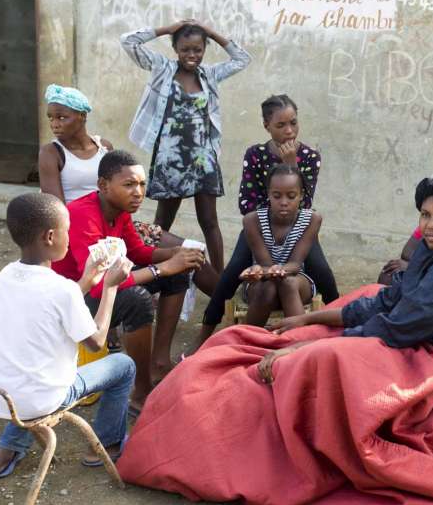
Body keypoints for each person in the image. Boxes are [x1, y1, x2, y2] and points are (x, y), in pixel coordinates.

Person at [267, 173, 433, 414]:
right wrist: (309, 318)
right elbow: (389, 300)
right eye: (425, 215)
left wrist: (309, 346)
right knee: (367, 303)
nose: (431, 224)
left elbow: (398, 327)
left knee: (337, 366)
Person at [0, 192, 135, 478]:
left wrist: (86, 280)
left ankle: (5, 451)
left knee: (28, 380)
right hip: (44, 397)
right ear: (51, 236)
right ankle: (107, 444)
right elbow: (97, 340)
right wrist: (110, 288)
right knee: (124, 366)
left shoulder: (6, 275)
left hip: (1, 393)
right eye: (68, 230)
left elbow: (47, 306)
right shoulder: (60, 289)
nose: (71, 236)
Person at [52, 150, 205, 413]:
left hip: (101, 290)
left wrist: (175, 255)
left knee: (177, 273)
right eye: (129, 184)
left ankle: (159, 361)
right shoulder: (82, 214)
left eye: (142, 184)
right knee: (137, 300)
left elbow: (137, 252)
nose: (138, 192)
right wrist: (164, 267)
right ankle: (141, 391)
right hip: (71, 302)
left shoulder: (119, 211)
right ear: (103, 185)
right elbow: (100, 284)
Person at [37, 83, 219, 298]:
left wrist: (172, 256)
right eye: (51, 118)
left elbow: (118, 186)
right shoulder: (51, 152)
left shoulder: (103, 147)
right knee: (158, 265)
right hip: (81, 225)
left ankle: (223, 303)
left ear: (82, 116)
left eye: (61, 117)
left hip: (115, 220)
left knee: (191, 252)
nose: (54, 124)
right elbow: (55, 207)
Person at [197, 95, 337, 347]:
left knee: (322, 270)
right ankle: (206, 331)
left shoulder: (310, 156)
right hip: (260, 227)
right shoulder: (255, 154)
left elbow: (303, 205)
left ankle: (341, 320)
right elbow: (246, 204)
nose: (289, 131)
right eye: (281, 125)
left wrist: (291, 165)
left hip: (297, 226)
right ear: (266, 125)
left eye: (293, 123)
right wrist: (272, 212)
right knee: (231, 272)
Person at [122, 20, 251, 274]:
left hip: (204, 159)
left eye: (198, 50)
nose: (192, 55)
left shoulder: (210, 75)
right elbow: (128, 41)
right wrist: (165, 28)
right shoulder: (161, 68)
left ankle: (219, 280)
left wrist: (211, 32)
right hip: (171, 159)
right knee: (162, 222)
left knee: (209, 221)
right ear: (175, 49)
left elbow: (242, 59)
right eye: (185, 49)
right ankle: (156, 274)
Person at [238, 165, 322, 326]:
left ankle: (297, 343)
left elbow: (296, 264)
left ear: (301, 195)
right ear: (268, 194)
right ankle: (249, 341)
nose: (284, 202)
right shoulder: (252, 221)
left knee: (288, 283)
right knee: (268, 287)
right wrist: (259, 272)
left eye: (291, 196)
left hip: (296, 281)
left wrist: (271, 271)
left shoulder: (312, 219)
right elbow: (265, 264)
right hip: (261, 282)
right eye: (276, 196)